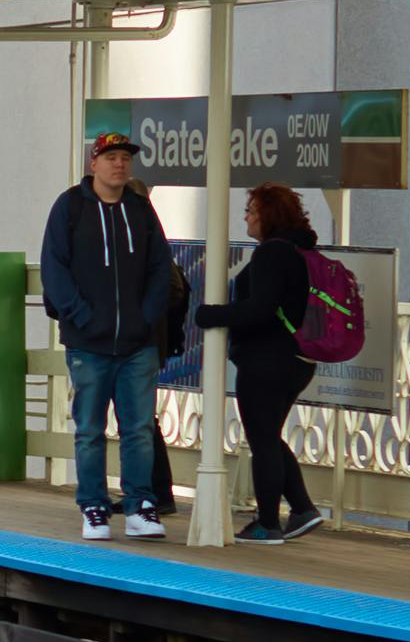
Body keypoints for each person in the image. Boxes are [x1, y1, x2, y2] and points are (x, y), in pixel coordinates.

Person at [38, 131, 175, 540]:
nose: (120, 164)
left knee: (138, 429)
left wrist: (145, 318)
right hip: (88, 344)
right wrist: (81, 316)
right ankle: (94, 506)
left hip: (137, 345)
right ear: (93, 164)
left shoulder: (140, 210)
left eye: (125, 158)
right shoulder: (69, 208)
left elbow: (160, 268)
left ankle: (140, 506)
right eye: (111, 156)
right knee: (89, 429)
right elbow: (53, 268)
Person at [196, 183, 329, 543]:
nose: (246, 217)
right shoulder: (301, 249)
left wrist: (211, 315)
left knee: (262, 439)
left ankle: (267, 522)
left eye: (251, 210)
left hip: (267, 359)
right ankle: (302, 509)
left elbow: (260, 308)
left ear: (267, 215)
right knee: (268, 434)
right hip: (298, 358)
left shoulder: (272, 253)